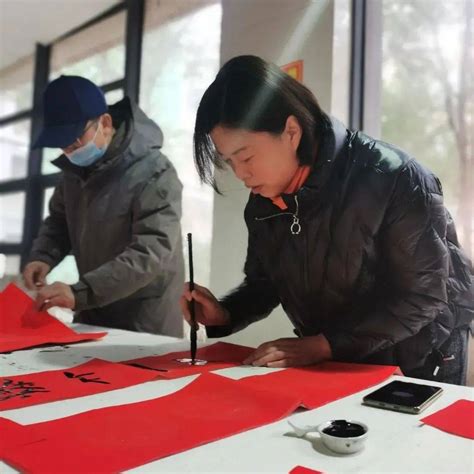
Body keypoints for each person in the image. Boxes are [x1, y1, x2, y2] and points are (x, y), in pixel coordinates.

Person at [181, 55, 474, 384]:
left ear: (291, 132)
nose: (240, 173)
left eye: (246, 156)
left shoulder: (394, 178)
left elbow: (423, 296)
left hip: (420, 354)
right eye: (229, 161)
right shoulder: (263, 202)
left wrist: (322, 345)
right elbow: (266, 284)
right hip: (340, 355)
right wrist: (225, 313)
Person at [23, 75, 184, 337]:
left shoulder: (154, 172)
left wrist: (81, 292)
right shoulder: (73, 174)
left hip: (144, 319)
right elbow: (59, 221)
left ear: (105, 123)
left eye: (75, 139)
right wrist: (43, 256)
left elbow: (150, 251)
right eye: (62, 144)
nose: (70, 150)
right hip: (93, 310)